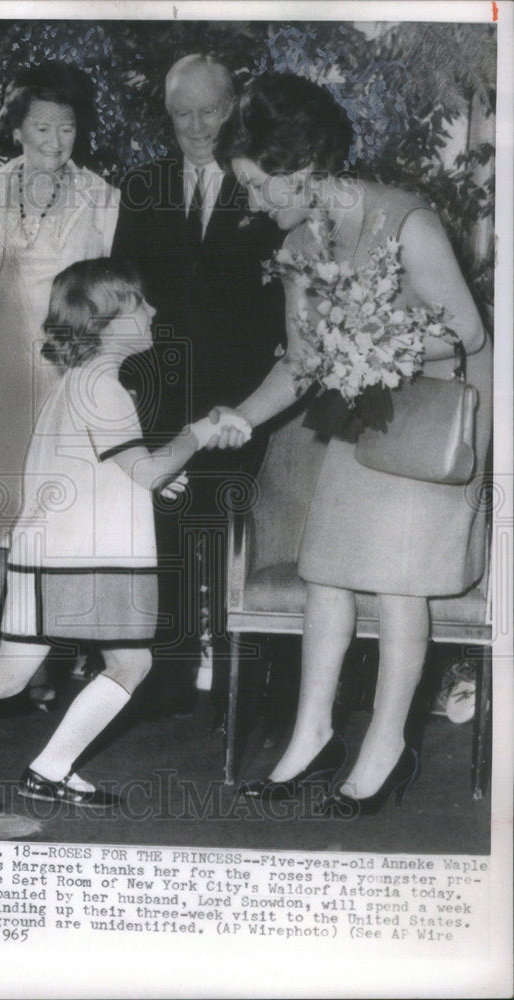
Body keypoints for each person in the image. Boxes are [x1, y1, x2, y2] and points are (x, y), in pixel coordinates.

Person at [0, 259, 250, 804]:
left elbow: (109, 468)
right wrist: (198, 432)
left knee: (8, 674)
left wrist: (153, 476)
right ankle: (49, 769)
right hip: (86, 556)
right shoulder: (105, 388)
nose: (153, 311)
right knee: (132, 662)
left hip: (46, 550)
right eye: (140, 303)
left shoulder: (81, 382)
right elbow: (143, 470)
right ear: (106, 319)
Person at [214, 72, 492, 813]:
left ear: (302, 169)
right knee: (328, 572)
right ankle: (311, 736)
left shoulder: (406, 222)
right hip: (362, 406)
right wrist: (239, 415)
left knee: (396, 584)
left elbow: (467, 334)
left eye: (258, 185)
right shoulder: (299, 241)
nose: (251, 202)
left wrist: (372, 343)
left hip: (434, 415)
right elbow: (303, 362)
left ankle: (386, 745)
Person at [0, 63, 119, 710]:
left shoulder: (100, 195)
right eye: (41, 127)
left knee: (53, 518)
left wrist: (96, 371)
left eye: (66, 128)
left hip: (64, 368)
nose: (54, 141)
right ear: (17, 127)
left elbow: (108, 296)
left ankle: (41, 666)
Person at [112, 54, 286, 717]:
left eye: (208, 111)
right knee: (165, 529)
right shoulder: (143, 184)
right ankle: (171, 673)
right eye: (180, 114)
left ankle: (246, 684)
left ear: (233, 106)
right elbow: (124, 292)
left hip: (247, 396)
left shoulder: (264, 185)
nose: (194, 126)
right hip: (161, 386)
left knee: (236, 533)